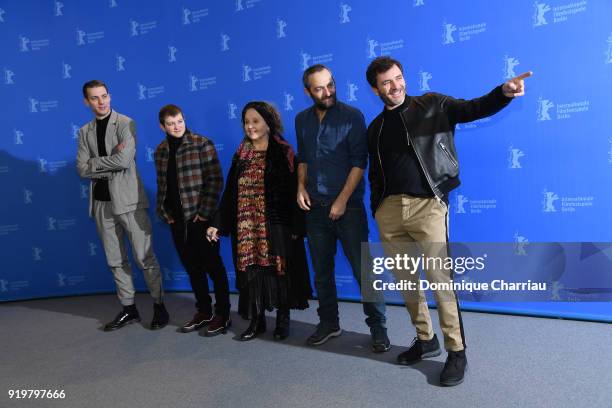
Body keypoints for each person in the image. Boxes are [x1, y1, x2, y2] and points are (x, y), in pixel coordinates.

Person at [365, 56, 532, 386]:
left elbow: (472, 109)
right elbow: (376, 173)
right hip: (389, 212)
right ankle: (426, 340)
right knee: (407, 283)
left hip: (428, 207)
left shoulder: (432, 105)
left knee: (440, 281)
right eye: (386, 82)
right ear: (375, 89)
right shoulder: (375, 128)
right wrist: (378, 207)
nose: (395, 85)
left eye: (398, 77)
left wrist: (503, 92)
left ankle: (457, 351)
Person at [295, 64, 389, 351]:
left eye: (331, 85)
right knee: (322, 271)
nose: (327, 92)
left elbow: (359, 162)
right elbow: (303, 158)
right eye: (320, 88)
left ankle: (377, 327)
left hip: (348, 209)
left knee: (364, 271)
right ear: (307, 91)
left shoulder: (352, 116)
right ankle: (329, 323)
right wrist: (300, 186)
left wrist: (341, 200)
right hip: (314, 208)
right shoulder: (301, 120)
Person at [207, 101, 311, 341]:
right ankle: (257, 320)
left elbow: (294, 191)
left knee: (280, 271)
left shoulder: (283, 151)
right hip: (247, 228)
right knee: (252, 273)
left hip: (276, 225)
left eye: (255, 121)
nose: (250, 127)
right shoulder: (240, 153)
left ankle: (283, 320)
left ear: (268, 123)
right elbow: (230, 192)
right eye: (246, 122)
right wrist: (217, 223)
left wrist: (296, 227)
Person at [76, 80, 168, 331]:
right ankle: (129, 309)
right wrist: (108, 160)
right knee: (115, 260)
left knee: (143, 257)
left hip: (129, 201)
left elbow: (125, 159)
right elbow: (82, 169)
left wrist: (96, 162)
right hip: (101, 206)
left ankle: (160, 306)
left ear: (110, 96)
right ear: (87, 102)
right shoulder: (84, 131)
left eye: (104, 96)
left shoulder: (126, 123)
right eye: (95, 98)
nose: (101, 101)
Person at [154, 104, 231, 335]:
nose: (176, 127)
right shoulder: (160, 151)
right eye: (170, 123)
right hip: (177, 221)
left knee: (213, 267)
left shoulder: (201, 143)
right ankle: (204, 311)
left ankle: (223, 314)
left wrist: (204, 214)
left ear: (184, 119)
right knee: (193, 269)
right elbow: (163, 186)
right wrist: (165, 213)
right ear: (162, 126)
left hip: (201, 219)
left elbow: (215, 180)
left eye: (179, 121)